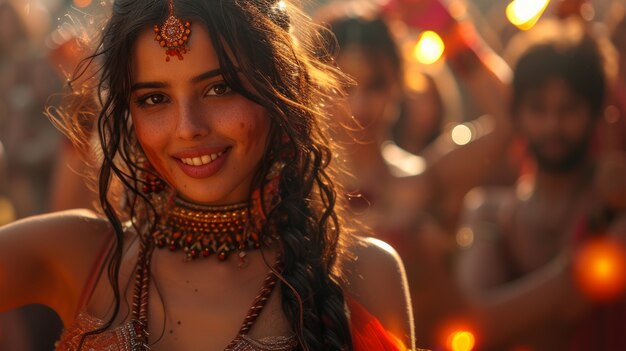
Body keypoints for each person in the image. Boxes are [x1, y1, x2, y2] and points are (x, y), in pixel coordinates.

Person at [0, 0, 416, 350]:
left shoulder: (366, 276)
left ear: (281, 92)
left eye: (219, 89)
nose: (187, 127)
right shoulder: (76, 254)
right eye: (154, 98)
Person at [456, 18, 625, 350]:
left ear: (596, 114)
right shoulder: (487, 211)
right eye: (538, 108)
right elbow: (473, 323)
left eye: (569, 109)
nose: (553, 124)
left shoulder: (616, 207)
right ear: (516, 113)